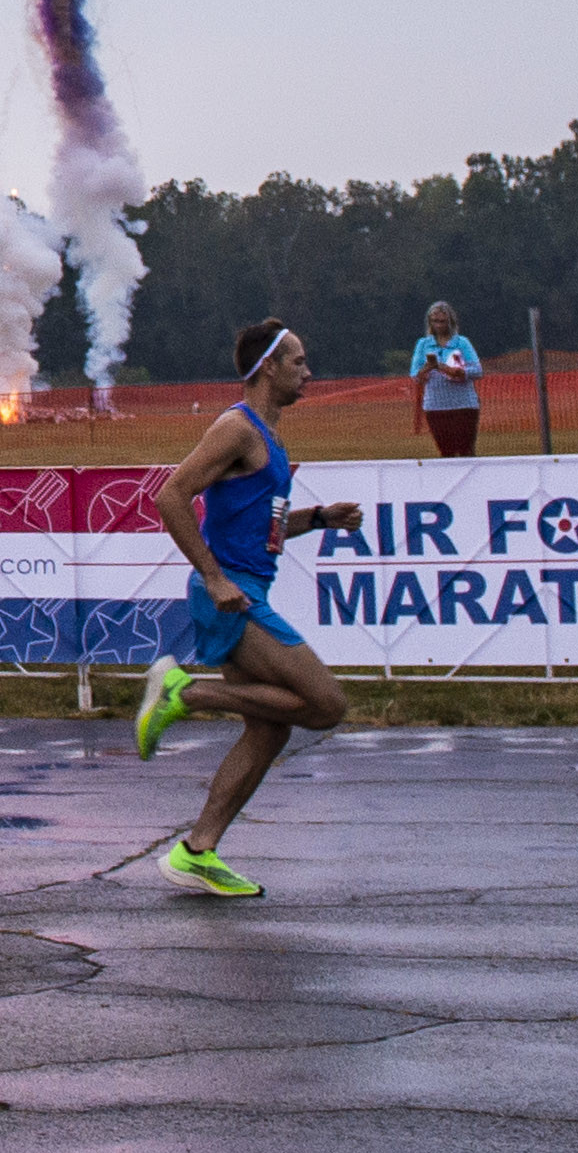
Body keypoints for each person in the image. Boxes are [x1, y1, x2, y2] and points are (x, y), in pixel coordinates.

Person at [129, 321, 362, 898]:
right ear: (268, 368)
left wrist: (320, 519)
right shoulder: (237, 428)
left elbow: (264, 527)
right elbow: (170, 496)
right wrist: (214, 578)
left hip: (247, 588)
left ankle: (196, 852)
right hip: (231, 596)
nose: (309, 373)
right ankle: (186, 693)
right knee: (326, 705)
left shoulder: (270, 438)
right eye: (299, 362)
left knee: (270, 728)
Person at [413, 305, 483, 458]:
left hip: (463, 405)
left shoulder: (461, 343)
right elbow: (415, 375)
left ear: (450, 322)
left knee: (466, 451)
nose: (438, 325)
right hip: (435, 407)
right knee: (446, 452)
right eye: (435, 321)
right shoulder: (423, 344)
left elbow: (477, 370)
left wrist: (454, 371)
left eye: (442, 321)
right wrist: (427, 368)